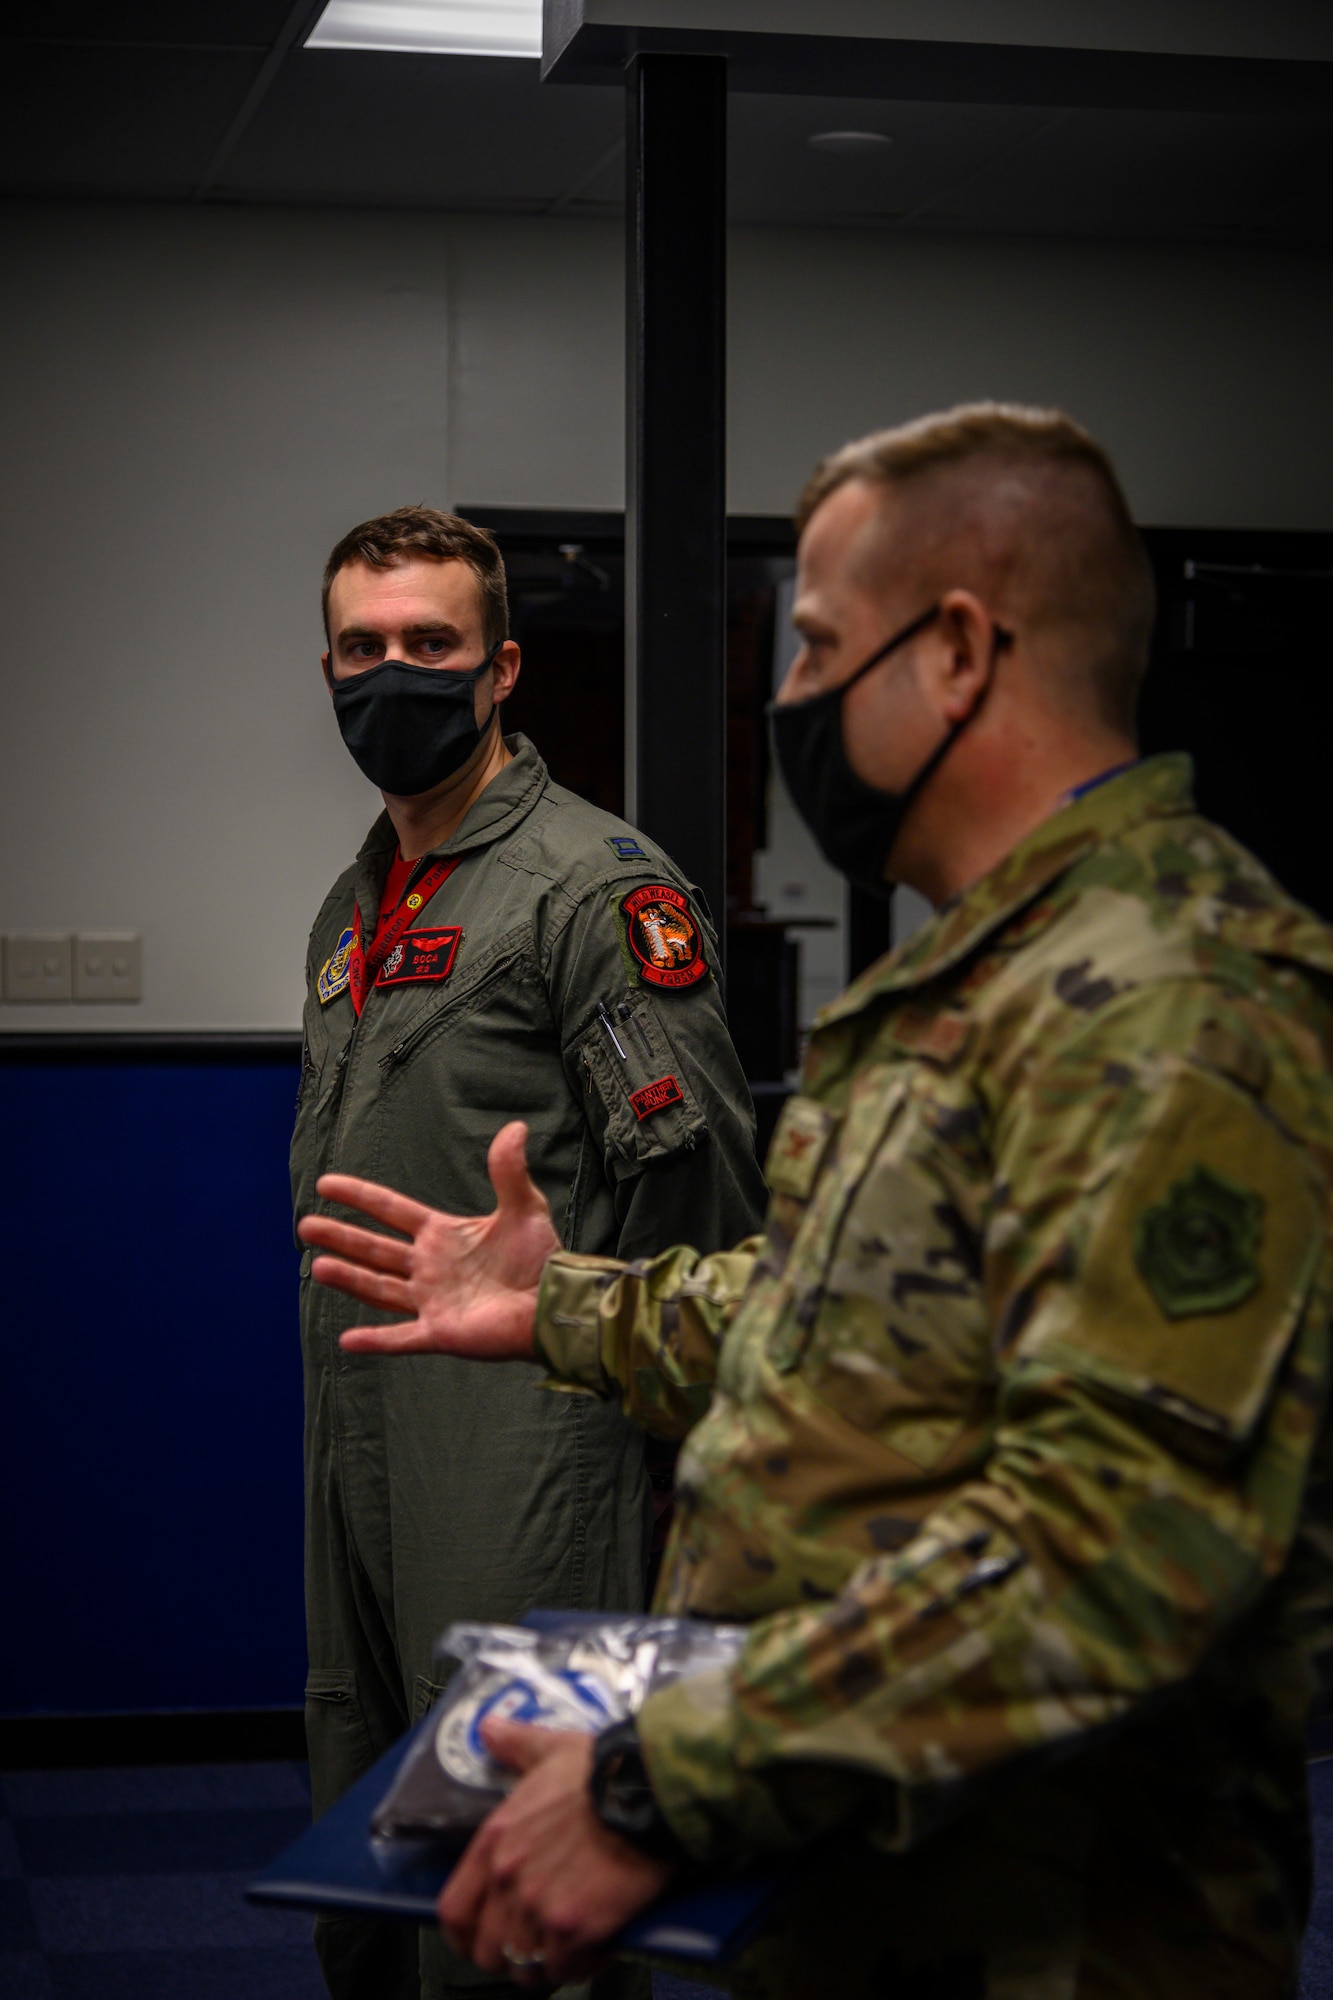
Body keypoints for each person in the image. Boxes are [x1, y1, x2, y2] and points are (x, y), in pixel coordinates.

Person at [296, 413, 1333, 1999]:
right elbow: (828, 1322)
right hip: (884, 1871)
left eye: (818, 646)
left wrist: (665, 1772)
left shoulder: (1165, 993)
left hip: (1062, 1917)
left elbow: (1117, 1543)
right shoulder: (962, 976)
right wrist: (559, 1302)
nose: (784, 696)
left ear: (960, 654)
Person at [294, 506, 766, 2000]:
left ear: (500, 669)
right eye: (362, 647)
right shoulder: (359, 896)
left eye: (428, 644)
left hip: (534, 1449)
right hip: (363, 1428)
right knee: (366, 1837)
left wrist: (653, 1430)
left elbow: (700, 1205)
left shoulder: (596, 889)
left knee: (504, 1887)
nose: (392, 673)